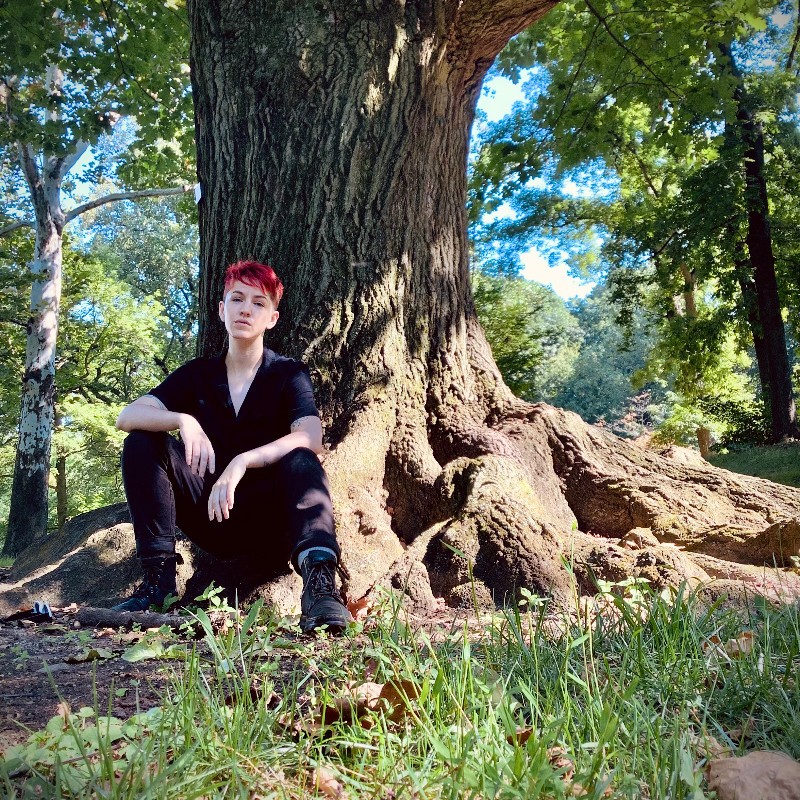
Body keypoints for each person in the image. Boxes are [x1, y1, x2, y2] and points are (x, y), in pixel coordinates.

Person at [110, 260, 352, 633]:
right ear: (222, 309)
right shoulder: (197, 375)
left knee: (302, 459)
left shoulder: (287, 373)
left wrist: (243, 460)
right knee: (142, 442)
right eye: (237, 299)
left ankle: (320, 591)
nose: (245, 309)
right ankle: (157, 585)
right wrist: (182, 420)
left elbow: (311, 436)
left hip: (270, 522)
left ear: (272, 318)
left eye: (258, 302)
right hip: (210, 514)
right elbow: (128, 415)